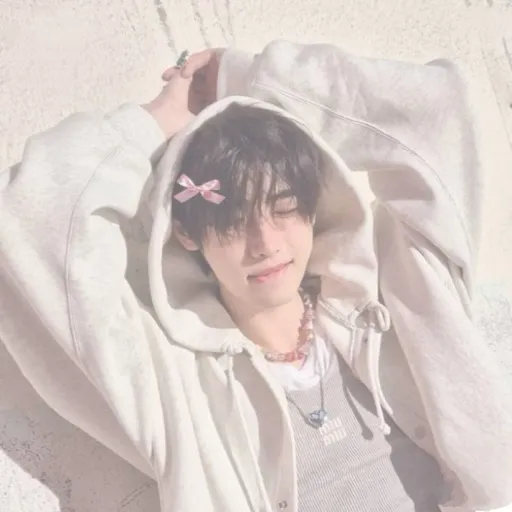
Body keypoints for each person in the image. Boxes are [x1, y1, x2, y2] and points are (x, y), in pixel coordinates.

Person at [1, 39, 512, 512]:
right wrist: (157, 121)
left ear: (313, 206)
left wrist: (246, 78)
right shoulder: (177, 385)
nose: (265, 243)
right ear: (188, 233)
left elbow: (438, 110)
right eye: (232, 222)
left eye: (284, 208)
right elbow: (28, 217)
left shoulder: (399, 296)